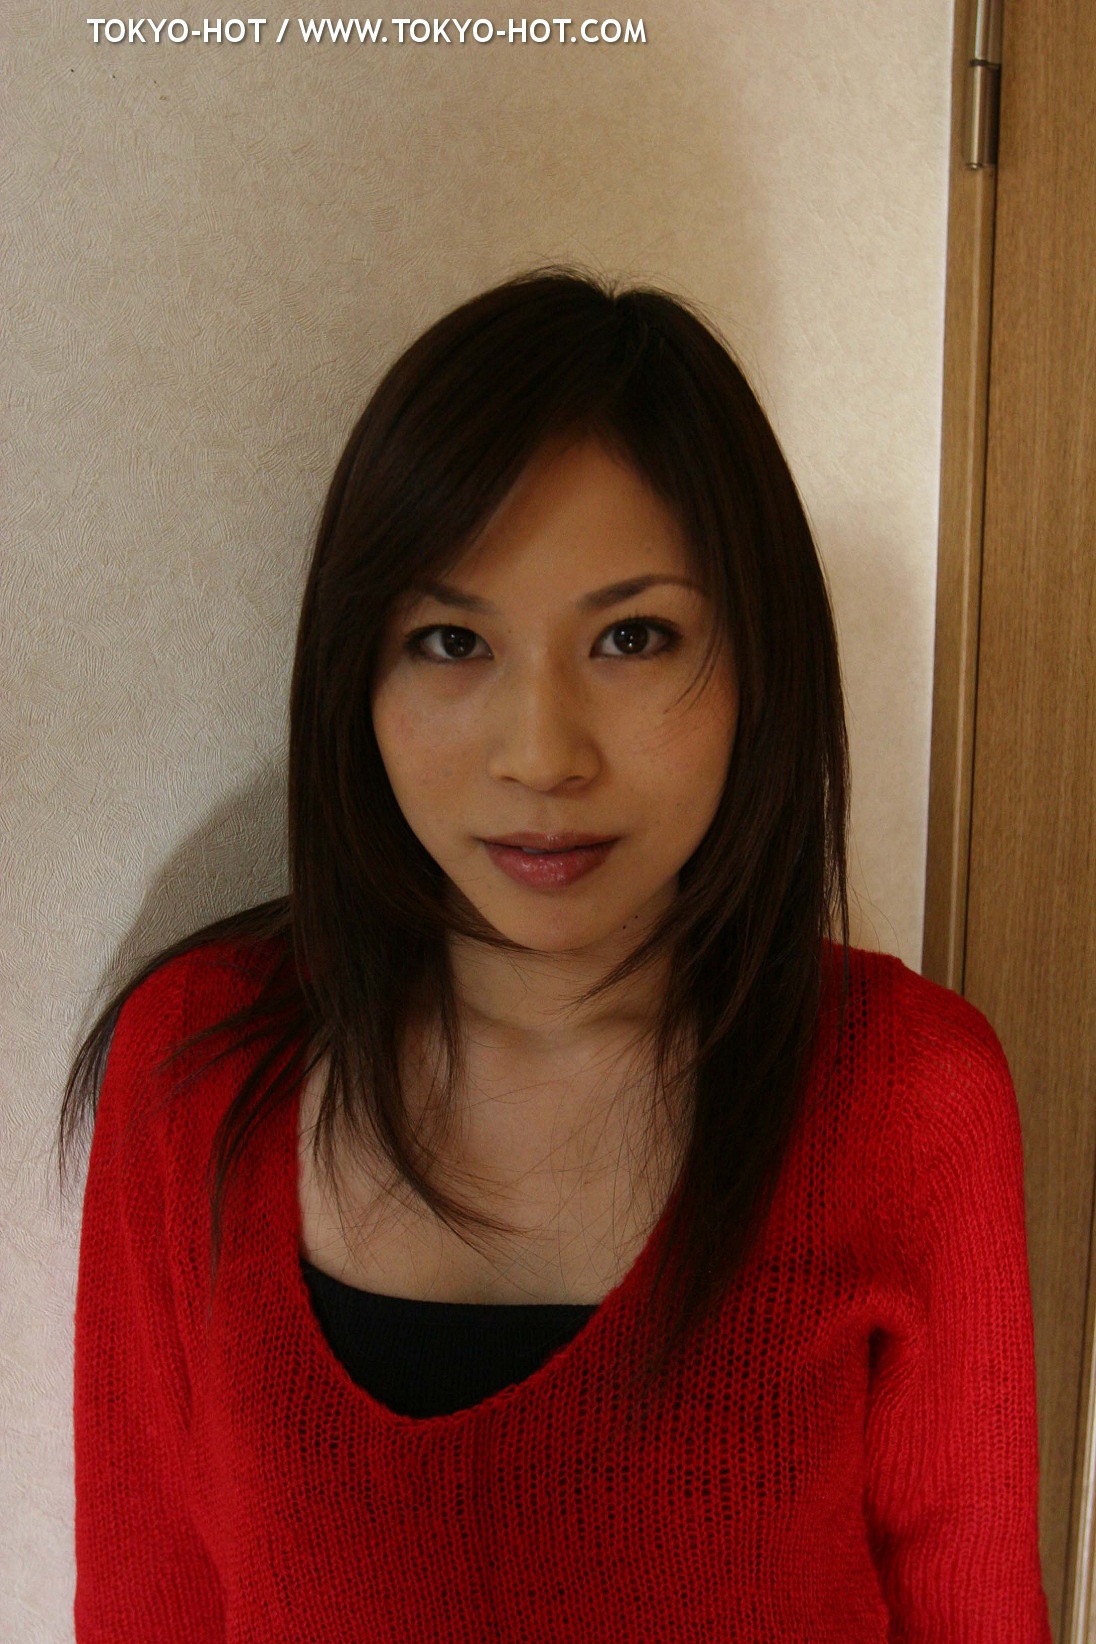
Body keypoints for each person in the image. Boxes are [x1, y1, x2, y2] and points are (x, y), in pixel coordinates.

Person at [57, 265, 1052, 1640]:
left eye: (633, 637)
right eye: (450, 639)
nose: (541, 755)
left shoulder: (909, 1095)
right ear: (356, 677)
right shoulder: (196, 1068)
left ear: (757, 665)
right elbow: (146, 1607)